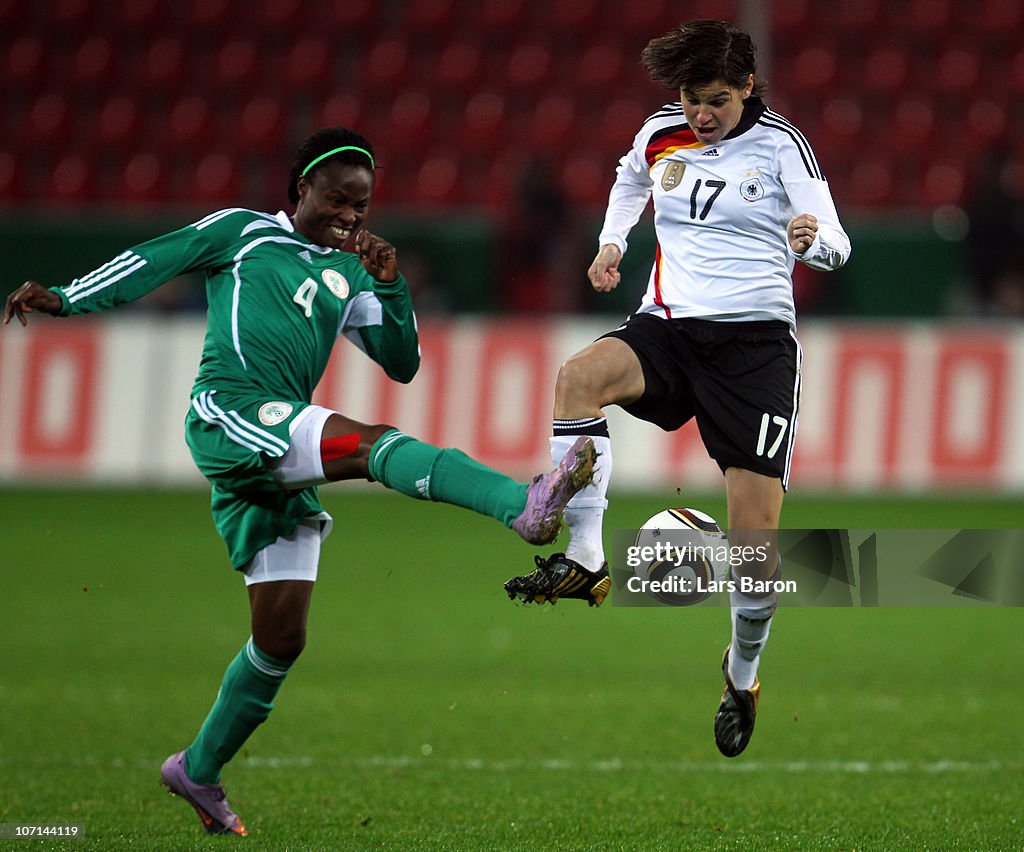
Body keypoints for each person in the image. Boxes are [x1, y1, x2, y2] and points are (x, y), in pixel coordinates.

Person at [3, 127, 596, 836]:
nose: (350, 214)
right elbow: (154, 259)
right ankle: (521, 506)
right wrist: (66, 298)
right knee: (375, 444)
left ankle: (197, 768)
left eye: (362, 204)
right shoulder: (243, 234)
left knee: (281, 638)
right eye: (338, 199)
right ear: (302, 189)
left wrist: (392, 284)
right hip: (232, 412)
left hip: (273, 447)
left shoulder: (348, 274)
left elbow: (402, 362)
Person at [503, 20, 851, 758]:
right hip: (668, 326)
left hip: (754, 348)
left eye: (717, 100)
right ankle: (589, 560)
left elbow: (838, 244)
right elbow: (630, 179)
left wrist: (810, 240)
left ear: (749, 87)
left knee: (755, 546)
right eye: (693, 99)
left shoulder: (784, 147)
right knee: (578, 379)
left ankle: (743, 672)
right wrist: (612, 242)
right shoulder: (661, 131)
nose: (701, 115)